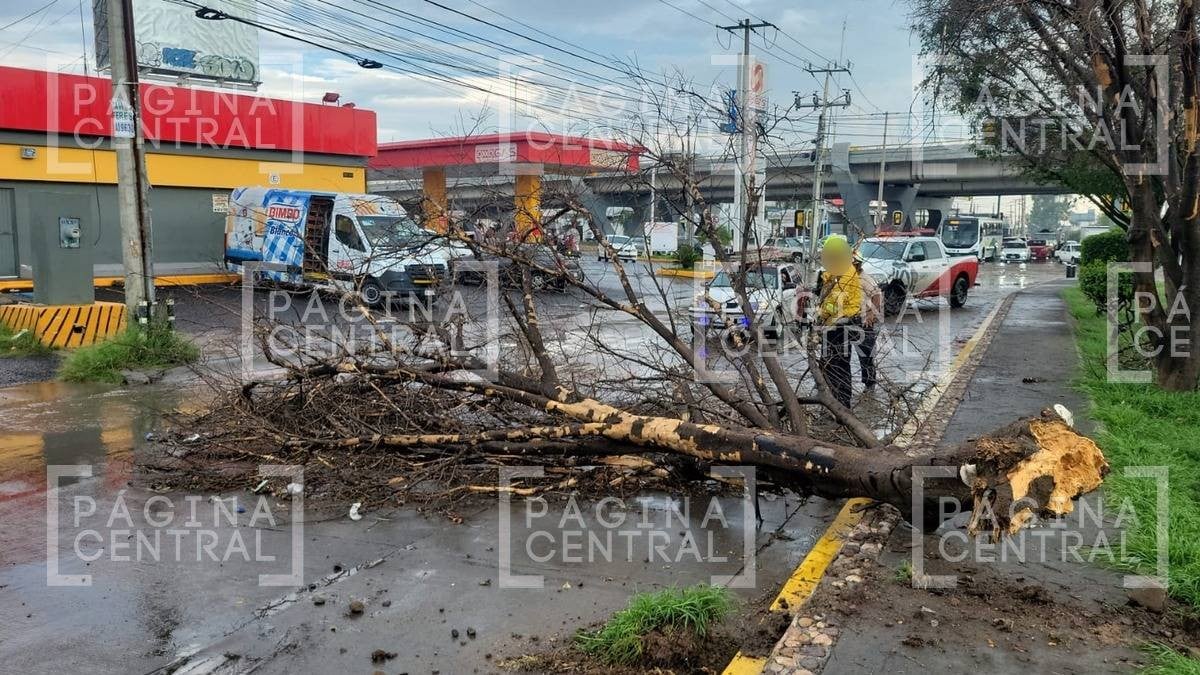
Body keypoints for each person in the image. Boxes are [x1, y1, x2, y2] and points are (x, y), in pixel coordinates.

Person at [813, 235, 864, 407]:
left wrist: (820, 317)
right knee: (831, 364)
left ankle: (840, 403)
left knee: (837, 365)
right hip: (838, 325)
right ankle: (834, 401)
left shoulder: (844, 273)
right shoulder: (839, 271)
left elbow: (835, 303)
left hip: (840, 325)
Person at [854, 251, 883, 390]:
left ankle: (869, 383)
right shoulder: (845, 278)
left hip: (863, 322)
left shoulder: (864, 278)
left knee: (866, 355)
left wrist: (871, 313)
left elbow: (877, 295)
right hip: (847, 320)